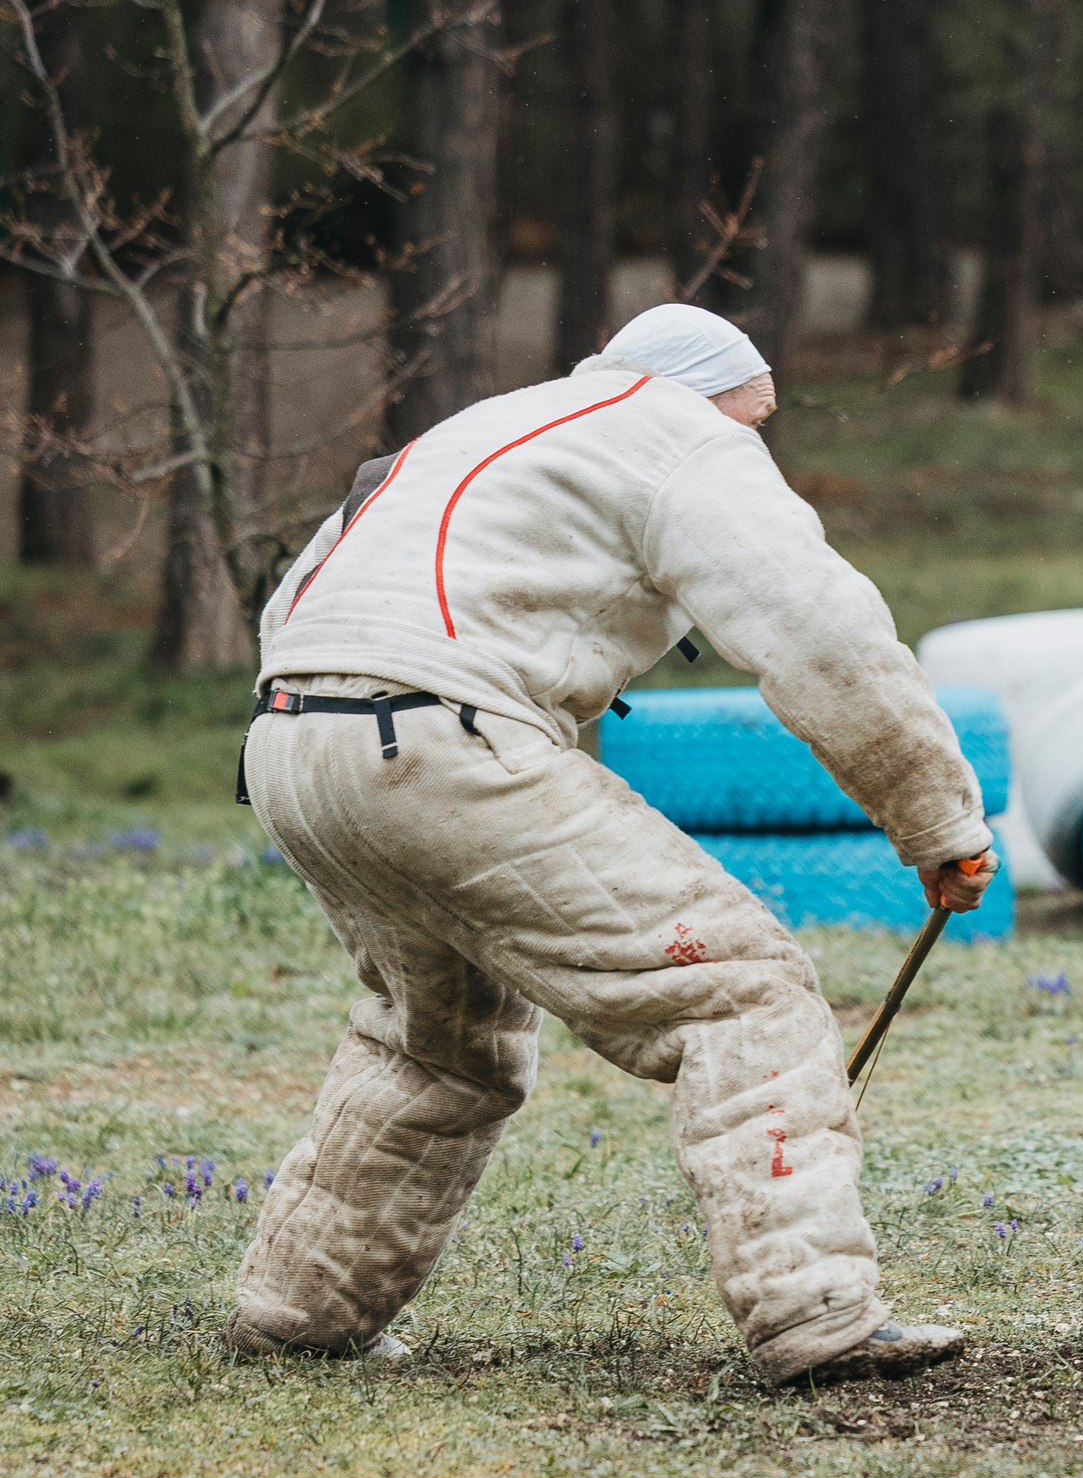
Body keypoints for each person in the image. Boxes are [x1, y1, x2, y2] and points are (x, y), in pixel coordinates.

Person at [230, 304, 995, 1384]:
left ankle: (297, 1312)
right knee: (742, 985)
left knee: (432, 1042)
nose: (754, 436)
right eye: (752, 415)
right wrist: (938, 817)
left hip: (294, 737)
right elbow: (824, 631)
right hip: (439, 739)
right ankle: (814, 1311)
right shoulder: (676, 431)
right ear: (703, 388)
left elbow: (304, 592)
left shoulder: (481, 428)